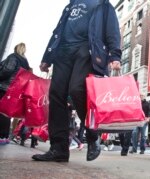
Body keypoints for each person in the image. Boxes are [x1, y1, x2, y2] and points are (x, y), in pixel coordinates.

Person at [32, 0, 121, 162]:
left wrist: (115, 55)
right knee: (56, 94)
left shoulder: (103, 4)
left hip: (87, 49)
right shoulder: (71, 4)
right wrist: (47, 57)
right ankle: (58, 149)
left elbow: (112, 30)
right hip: (63, 52)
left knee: (77, 89)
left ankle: (92, 134)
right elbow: (58, 31)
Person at [0, 42, 31, 145]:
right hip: (15, 90)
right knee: (6, 112)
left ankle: (2, 135)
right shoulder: (25, 62)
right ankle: (4, 136)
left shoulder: (13, 57)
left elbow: (7, 70)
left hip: (5, 86)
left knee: (2, 111)